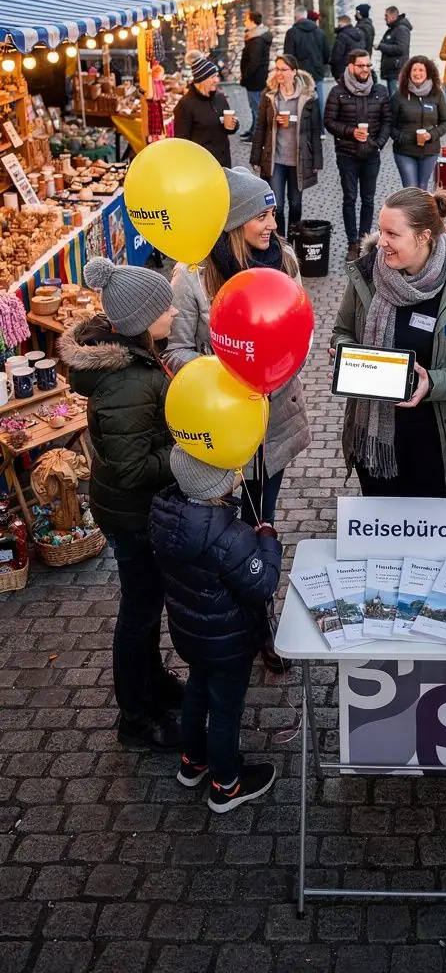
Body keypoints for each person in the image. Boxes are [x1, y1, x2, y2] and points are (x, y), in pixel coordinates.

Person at [59, 257, 182, 751]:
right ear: (139, 322)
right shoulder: (128, 382)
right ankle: (136, 719)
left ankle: (153, 685)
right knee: (138, 611)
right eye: (163, 305)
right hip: (133, 515)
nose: (173, 309)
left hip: (131, 511)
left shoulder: (137, 364)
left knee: (146, 605)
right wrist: (185, 453)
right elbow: (133, 469)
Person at [331, 188, 446, 498]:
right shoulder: (367, 273)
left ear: (424, 236)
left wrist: (436, 382)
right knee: (381, 536)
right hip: (376, 446)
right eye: (381, 230)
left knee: (432, 542)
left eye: (392, 234)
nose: (381, 241)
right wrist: (346, 354)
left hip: (440, 443)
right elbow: (342, 330)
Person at [166, 168, 310, 536]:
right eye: (261, 216)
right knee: (223, 531)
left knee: (263, 519)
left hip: (274, 420)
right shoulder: (193, 277)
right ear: (234, 223)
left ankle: (261, 586)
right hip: (219, 424)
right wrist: (226, 373)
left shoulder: (285, 260)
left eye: (273, 214)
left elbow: (298, 326)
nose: (272, 226)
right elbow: (175, 351)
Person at [149, 447, 281, 813]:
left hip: (189, 633)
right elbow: (262, 585)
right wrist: (268, 542)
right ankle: (227, 784)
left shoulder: (164, 515)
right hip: (229, 642)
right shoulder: (232, 536)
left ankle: (193, 761)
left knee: (196, 690)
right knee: (225, 708)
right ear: (219, 484)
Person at [324, 46, 392, 261]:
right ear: (351, 66)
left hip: (371, 154)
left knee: (369, 199)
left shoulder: (379, 90)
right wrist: (351, 132)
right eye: (361, 65)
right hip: (347, 154)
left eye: (368, 65)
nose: (365, 69)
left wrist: (379, 143)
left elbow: (387, 120)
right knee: (350, 198)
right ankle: (352, 242)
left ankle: (365, 241)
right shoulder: (338, 91)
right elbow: (329, 122)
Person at [250, 53, 322, 238]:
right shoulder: (269, 96)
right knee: (278, 205)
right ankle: (280, 241)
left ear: (294, 72)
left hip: (299, 158)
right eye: (277, 68)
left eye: (283, 69)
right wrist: (256, 157)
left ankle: (293, 238)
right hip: (277, 159)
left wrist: (316, 162)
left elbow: (315, 130)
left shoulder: (308, 97)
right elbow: (261, 128)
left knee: (296, 204)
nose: (279, 73)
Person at [390, 55, 446, 190]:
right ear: (408, 73)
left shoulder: (437, 93)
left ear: (428, 72)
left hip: (430, 150)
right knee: (411, 188)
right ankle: (410, 211)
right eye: (414, 70)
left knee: (422, 187)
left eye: (421, 70)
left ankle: (420, 212)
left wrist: (432, 135)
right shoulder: (399, 95)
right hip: (405, 151)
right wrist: (402, 138)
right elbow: (389, 124)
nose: (417, 73)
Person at [173, 51, 238, 168]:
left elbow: (229, 127)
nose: (217, 80)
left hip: (223, 162)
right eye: (212, 77)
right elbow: (181, 142)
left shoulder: (220, 98)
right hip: (201, 165)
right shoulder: (185, 105)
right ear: (202, 79)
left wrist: (234, 125)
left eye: (217, 76)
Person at [283, 5, 331, 131]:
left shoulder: (291, 33)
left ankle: (302, 127)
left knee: (299, 100)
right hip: (317, 72)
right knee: (318, 99)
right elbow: (327, 54)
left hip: (300, 73)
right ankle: (320, 129)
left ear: (296, 17)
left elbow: (288, 56)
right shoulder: (320, 32)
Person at [239, 9, 273, 141]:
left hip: (255, 78)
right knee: (255, 105)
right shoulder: (256, 37)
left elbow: (254, 61)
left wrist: (245, 76)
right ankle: (254, 129)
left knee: (256, 106)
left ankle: (257, 134)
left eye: (246, 20)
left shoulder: (256, 39)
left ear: (252, 21)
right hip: (257, 77)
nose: (245, 22)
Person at [376, 4, 412, 96]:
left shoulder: (401, 30)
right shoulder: (394, 29)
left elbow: (401, 49)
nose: (384, 18)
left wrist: (381, 46)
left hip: (396, 71)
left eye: (386, 16)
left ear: (393, 16)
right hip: (392, 70)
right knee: (392, 97)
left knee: (395, 97)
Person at [330, 12, 366, 81]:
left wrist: (331, 61)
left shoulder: (342, 36)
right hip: (356, 68)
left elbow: (337, 55)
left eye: (339, 23)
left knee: (343, 90)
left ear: (342, 23)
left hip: (342, 70)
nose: (338, 25)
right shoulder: (359, 34)